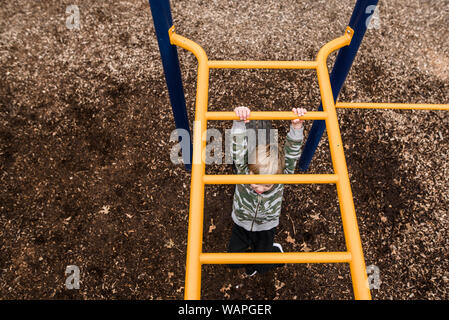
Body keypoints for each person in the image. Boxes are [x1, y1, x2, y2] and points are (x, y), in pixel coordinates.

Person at [228, 106, 307, 277]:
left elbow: (291, 155)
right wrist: (239, 123)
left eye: (266, 186)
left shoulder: (281, 178)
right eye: (255, 182)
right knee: (232, 261)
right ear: (248, 170)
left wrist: (297, 127)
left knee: (261, 266)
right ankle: (257, 259)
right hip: (241, 222)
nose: (259, 189)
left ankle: (272, 252)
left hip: (266, 226)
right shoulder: (243, 170)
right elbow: (237, 149)